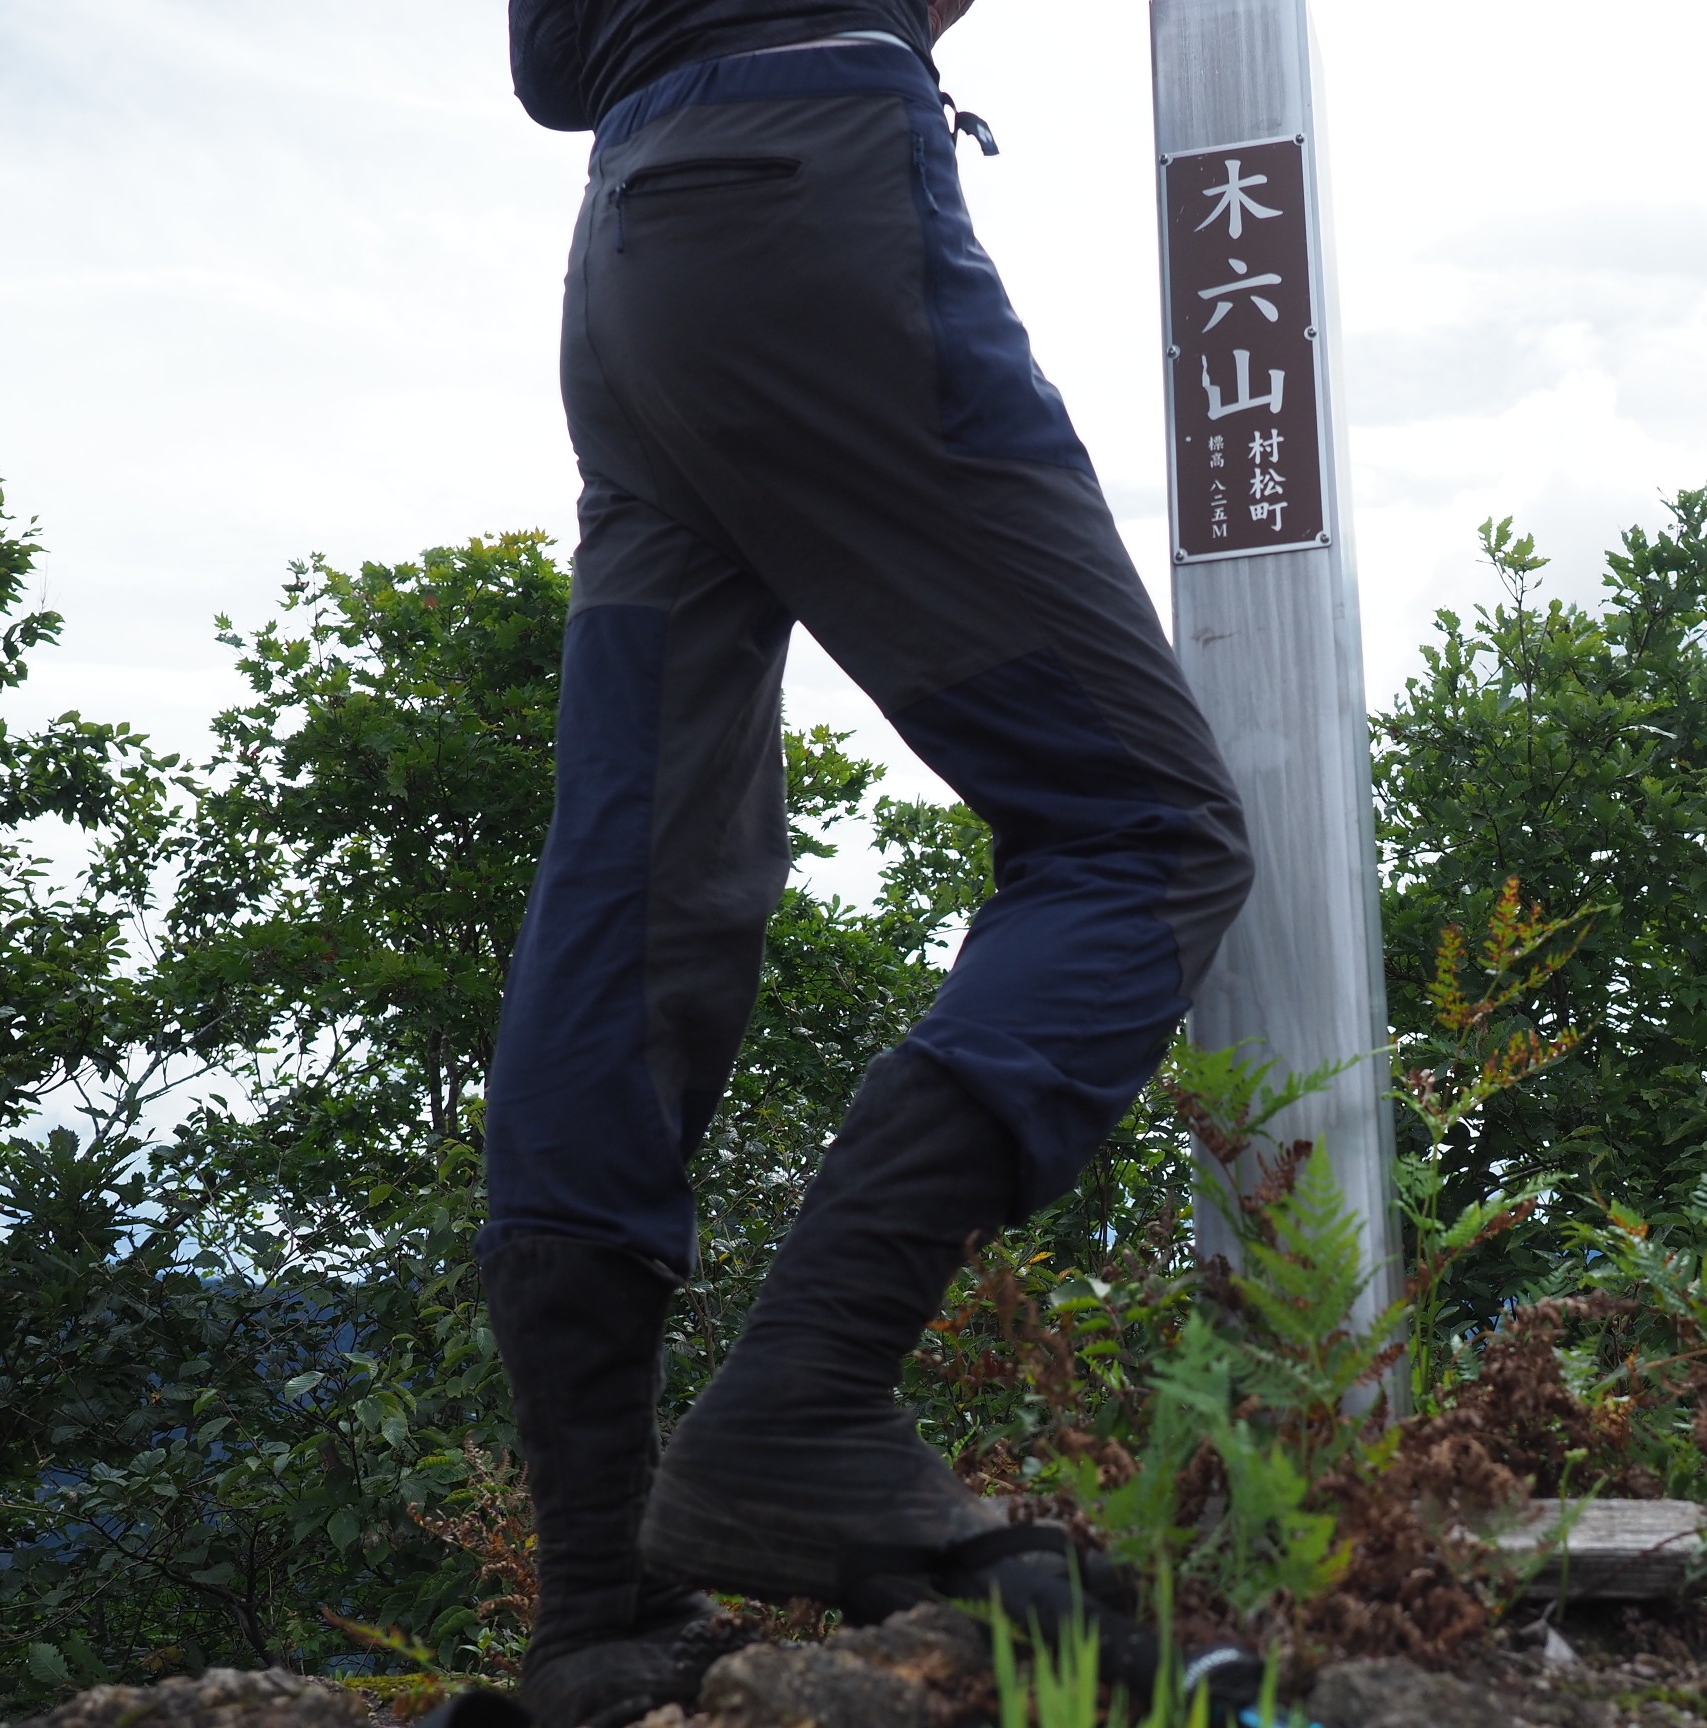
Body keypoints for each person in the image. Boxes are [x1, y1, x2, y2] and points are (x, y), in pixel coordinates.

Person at [475, 3, 1256, 1723]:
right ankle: (806, 1403)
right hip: (811, 206)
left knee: (639, 892)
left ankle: (596, 1599)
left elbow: (547, 69)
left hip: (637, 256)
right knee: (1139, 827)